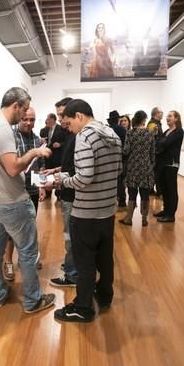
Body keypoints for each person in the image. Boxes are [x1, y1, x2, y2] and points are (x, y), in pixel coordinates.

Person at [0, 87, 55, 313]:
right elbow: (12, 168)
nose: (26, 115)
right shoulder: (2, 129)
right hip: (11, 201)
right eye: (25, 109)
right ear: (16, 106)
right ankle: (33, 301)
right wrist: (34, 153)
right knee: (28, 252)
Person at [51, 99, 122, 323]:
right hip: (107, 211)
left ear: (79, 116)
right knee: (105, 258)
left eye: (69, 123)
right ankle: (104, 295)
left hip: (86, 213)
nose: (68, 128)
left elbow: (84, 177)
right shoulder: (113, 134)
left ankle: (82, 308)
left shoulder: (84, 136)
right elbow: (118, 170)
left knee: (84, 263)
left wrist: (62, 179)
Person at [3, 107, 43, 281]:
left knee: (30, 226)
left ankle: (28, 258)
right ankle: (8, 262)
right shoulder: (9, 138)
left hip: (32, 191)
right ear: (19, 118)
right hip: (13, 192)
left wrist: (41, 186)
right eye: (25, 119)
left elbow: (40, 165)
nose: (28, 122)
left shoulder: (37, 140)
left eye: (32, 119)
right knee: (11, 231)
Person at [46, 97, 78, 287]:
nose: (60, 119)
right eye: (58, 115)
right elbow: (69, 165)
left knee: (70, 236)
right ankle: (71, 266)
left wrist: (58, 180)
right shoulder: (70, 134)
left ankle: (72, 275)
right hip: (68, 193)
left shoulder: (76, 135)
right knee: (70, 235)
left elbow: (79, 172)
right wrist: (55, 170)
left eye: (62, 115)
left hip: (71, 195)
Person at [119, 110, 155, 226]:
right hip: (146, 167)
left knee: (132, 192)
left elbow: (126, 150)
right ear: (144, 120)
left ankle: (129, 218)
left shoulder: (130, 133)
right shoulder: (149, 133)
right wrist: (151, 164)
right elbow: (153, 152)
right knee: (145, 194)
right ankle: (144, 219)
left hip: (133, 167)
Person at [154, 110, 184, 222]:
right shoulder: (167, 131)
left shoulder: (179, 131)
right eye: (167, 116)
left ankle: (171, 215)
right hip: (162, 163)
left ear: (176, 118)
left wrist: (161, 142)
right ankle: (166, 210)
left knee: (171, 189)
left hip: (171, 163)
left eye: (170, 116)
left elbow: (165, 143)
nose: (167, 118)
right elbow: (158, 143)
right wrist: (161, 142)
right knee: (164, 189)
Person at [107, 110, 127, 208]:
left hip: (108, 157)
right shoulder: (122, 130)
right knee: (119, 180)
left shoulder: (107, 129)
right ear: (118, 119)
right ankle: (122, 201)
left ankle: (110, 200)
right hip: (120, 157)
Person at [147, 107, 164, 195]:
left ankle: (154, 190)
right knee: (155, 172)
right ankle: (154, 190)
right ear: (156, 113)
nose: (162, 114)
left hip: (156, 152)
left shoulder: (157, 123)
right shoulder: (153, 124)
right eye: (161, 112)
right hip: (155, 153)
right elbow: (150, 138)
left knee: (156, 172)